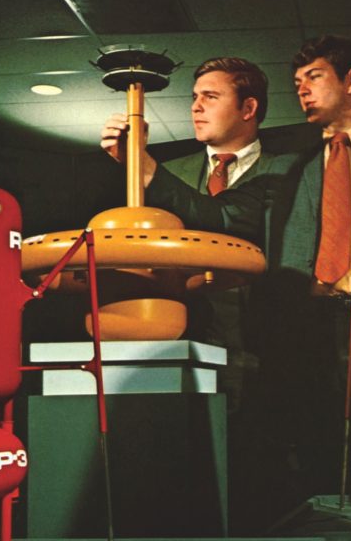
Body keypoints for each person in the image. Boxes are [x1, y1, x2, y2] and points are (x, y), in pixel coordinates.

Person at [102, 36, 351, 519]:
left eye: (312, 78)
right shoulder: (301, 165)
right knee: (291, 473)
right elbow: (219, 217)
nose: (303, 92)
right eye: (297, 83)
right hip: (283, 341)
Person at [103, 56, 271, 530]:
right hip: (182, 349)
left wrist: (145, 167)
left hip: (257, 358)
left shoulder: (285, 172)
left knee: (247, 490)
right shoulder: (169, 173)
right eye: (194, 98)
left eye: (210, 97)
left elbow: (219, 220)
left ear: (249, 107)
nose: (195, 108)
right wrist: (135, 168)